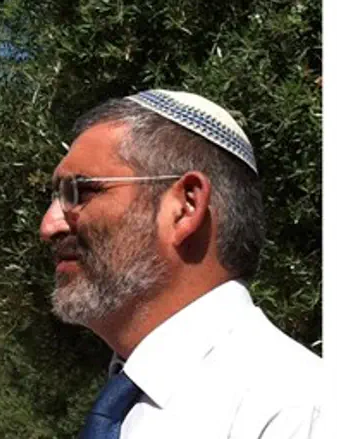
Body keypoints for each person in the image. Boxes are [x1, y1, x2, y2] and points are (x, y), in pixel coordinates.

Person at [39, 89, 323, 438]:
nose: (49, 226)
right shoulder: (126, 406)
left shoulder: (296, 410)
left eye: (77, 192)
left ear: (185, 207)